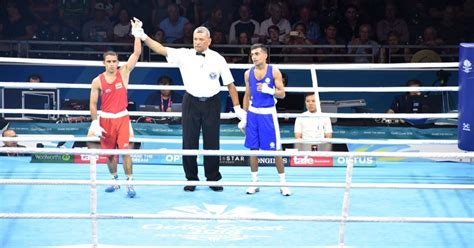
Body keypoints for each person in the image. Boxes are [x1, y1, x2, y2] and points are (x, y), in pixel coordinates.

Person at [131, 18, 245, 192]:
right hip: (191, 101)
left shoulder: (218, 59)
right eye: (195, 39)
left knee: (212, 142)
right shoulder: (184, 54)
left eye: (200, 39)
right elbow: (161, 49)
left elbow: (230, 85)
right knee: (189, 141)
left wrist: (237, 109)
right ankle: (191, 178)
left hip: (212, 102)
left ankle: (213, 178)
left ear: (209, 41)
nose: (197, 42)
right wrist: (143, 35)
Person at [88, 19, 142, 198]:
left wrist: (136, 33)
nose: (112, 64)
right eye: (109, 61)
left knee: (126, 152)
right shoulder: (97, 80)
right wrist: (95, 122)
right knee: (110, 155)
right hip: (106, 120)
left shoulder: (124, 72)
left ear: (118, 62)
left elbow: (136, 53)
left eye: (114, 61)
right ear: (104, 63)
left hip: (122, 118)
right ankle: (114, 180)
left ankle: (129, 183)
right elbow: (93, 103)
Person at [239, 43, 290, 196]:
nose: (253, 57)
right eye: (252, 54)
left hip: (268, 115)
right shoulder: (248, 73)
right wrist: (244, 115)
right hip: (253, 114)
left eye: (257, 53)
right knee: (253, 149)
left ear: (265, 55)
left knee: (276, 151)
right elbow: (247, 95)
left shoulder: (274, 71)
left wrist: (270, 90)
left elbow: (282, 94)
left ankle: (283, 184)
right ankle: (255, 183)